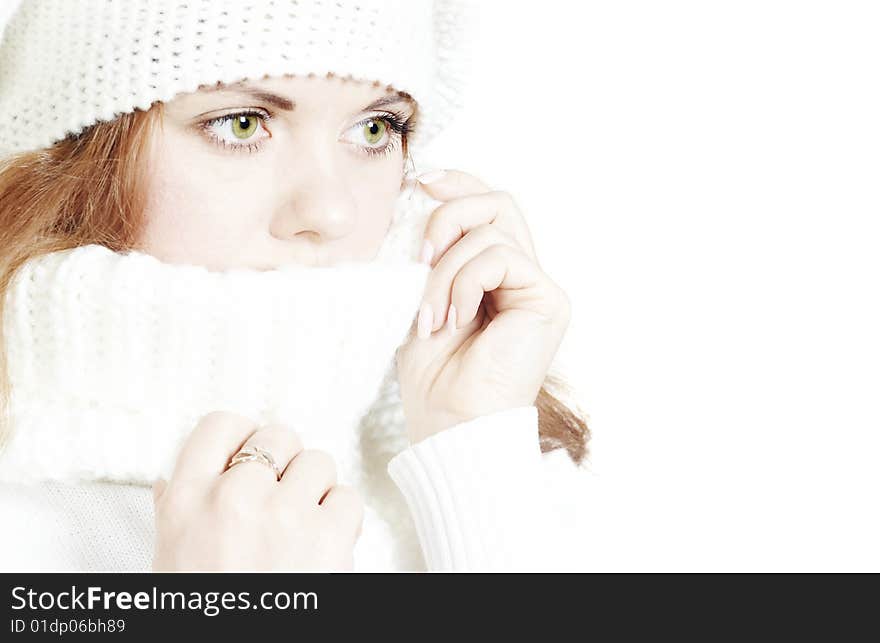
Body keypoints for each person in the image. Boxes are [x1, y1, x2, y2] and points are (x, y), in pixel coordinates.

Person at [0, 0, 592, 571]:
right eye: (243, 124)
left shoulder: (467, 464)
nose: (331, 211)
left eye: (373, 130)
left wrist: (469, 450)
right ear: (80, 157)